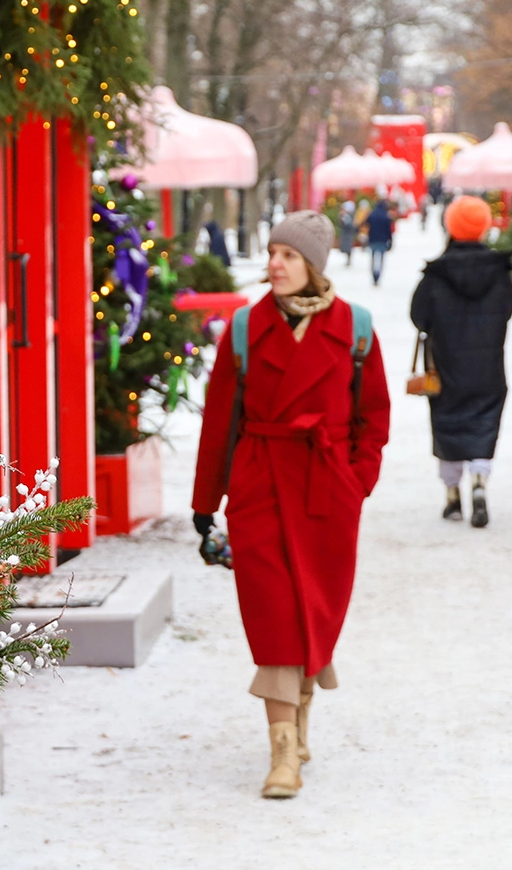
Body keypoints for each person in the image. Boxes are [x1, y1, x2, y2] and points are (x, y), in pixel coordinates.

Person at [191, 210, 391, 799]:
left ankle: (299, 716)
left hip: (327, 489)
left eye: (288, 255)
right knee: (274, 614)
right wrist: (206, 504)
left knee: (317, 611)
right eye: (272, 252)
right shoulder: (245, 330)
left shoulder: (355, 328)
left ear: (313, 266)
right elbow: (217, 425)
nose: (274, 264)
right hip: (259, 485)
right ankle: (283, 753)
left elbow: (372, 419)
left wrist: (358, 481)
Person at [408, 195, 512, 528]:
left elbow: (418, 316)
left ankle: (452, 496)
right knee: (484, 421)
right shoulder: (499, 272)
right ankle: (480, 484)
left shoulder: (437, 274)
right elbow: (506, 312)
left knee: (448, 422)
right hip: (488, 365)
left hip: (446, 365)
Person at [365, 195, 393, 286]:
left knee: (373, 258)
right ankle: (378, 275)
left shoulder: (372, 215)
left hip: (372, 239)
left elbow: (365, 223)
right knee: (381, 259)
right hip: (383, 240)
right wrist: (390, 241)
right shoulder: (386, 216)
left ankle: (374, 274)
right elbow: (389, 230)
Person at [337, 200, 357, 266]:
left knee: (348, 247)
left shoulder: (349, 216)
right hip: (346, 234)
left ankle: (349, 260)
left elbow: (350, 225)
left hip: (348, 234)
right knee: (346, 247)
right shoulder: (346, 215)